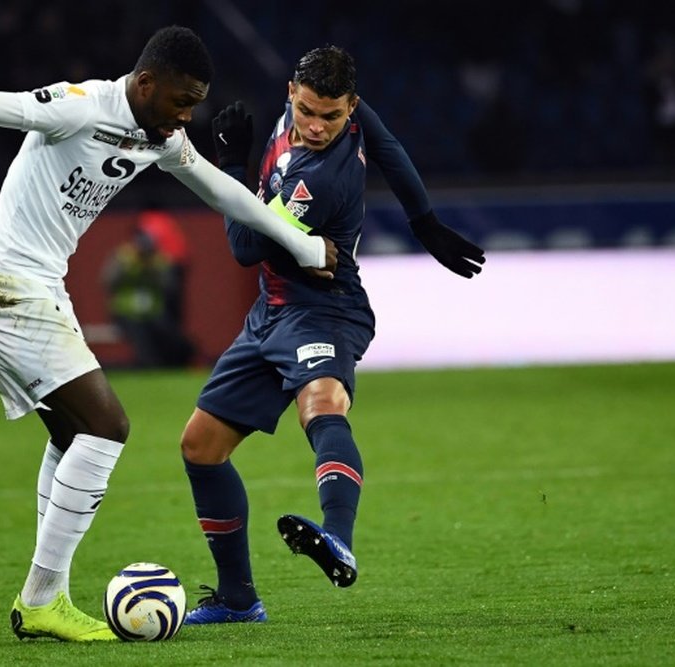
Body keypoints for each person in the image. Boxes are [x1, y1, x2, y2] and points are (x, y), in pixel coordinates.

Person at [0, 26, 336, 642]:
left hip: (31, 283)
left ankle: (48, 596)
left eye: (195, 103)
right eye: (180, 100)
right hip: (3, 281)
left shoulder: (161, 136)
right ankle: (41, 598)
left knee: (71, 433)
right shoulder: (79, 106)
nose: (187, 116)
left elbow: (224, 192)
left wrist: (301, 244)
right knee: (107, 426)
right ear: (145, 84)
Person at [179, 46, 485, 624]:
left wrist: (230, 163)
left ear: (352, 109)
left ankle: (338, 537)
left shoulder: (320, 178)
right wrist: (424, 221)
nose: (318, 127)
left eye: (333, 117)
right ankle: (239, 599)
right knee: (200, 447)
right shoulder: (324, 113)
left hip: (323, 308)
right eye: (310, 111)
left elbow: (244, 248)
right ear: (291, 92)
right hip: (271, 311)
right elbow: (391, 149)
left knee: (320, 403)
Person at [102, 225, 194, 367]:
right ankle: (149, 365)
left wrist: (152, 271)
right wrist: (128, 268)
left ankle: (174, 362)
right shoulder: (123, 257)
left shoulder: (159, 260)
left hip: (153, 312)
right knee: (140, 336)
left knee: (168, 333)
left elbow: (170, 286)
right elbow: (108, 281)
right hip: (126, 312)